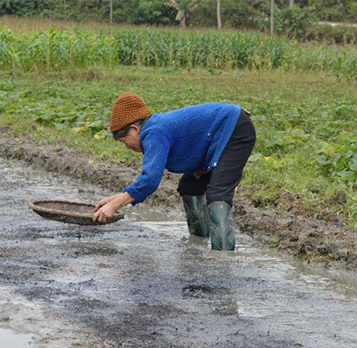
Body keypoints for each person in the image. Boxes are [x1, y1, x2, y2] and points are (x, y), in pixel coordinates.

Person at [93, 92, 256, 251]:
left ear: (135, 129)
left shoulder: (154, 132)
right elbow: (147, 177)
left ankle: (223, 261)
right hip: (213, 137)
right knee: (190, 187)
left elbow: (150, 180)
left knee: (218, 193)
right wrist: (112, 199)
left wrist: (114, 206)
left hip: (234, 129)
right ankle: (199, 244)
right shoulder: (154, 130)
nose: (127, 146)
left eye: (124, 141)